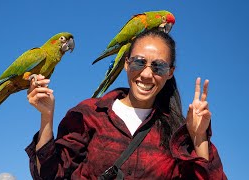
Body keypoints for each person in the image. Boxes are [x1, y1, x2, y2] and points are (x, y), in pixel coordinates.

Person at [25, 29, 227, 179]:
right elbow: (49, 175)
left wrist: (199, 139)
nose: (147, 74)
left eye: (159, 66)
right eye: (139, 62)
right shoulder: (90, 113)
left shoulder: (177, 132)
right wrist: (46, 117)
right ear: (126, 64)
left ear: (170, 72)